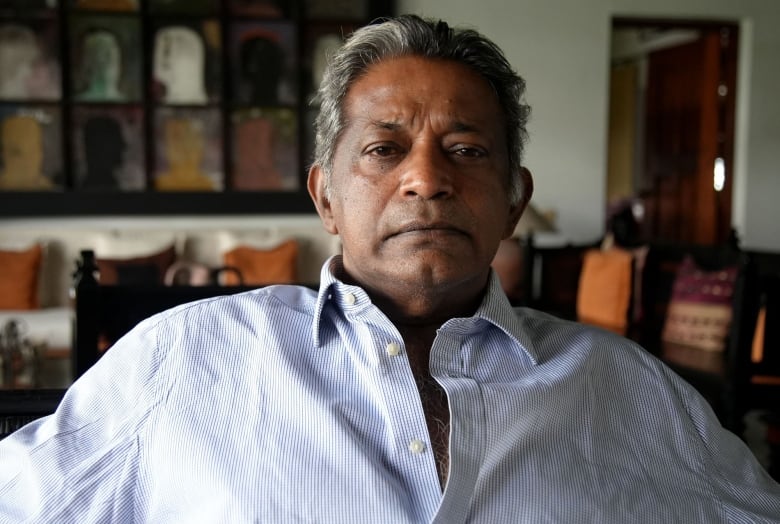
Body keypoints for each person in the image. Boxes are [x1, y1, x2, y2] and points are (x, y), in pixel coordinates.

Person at [0, 14, 778, 522]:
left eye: (468, 150)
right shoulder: (184, 359)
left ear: (514, 201)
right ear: (326, 198)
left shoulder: (624, 386)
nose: (427, 178)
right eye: (384, 148)